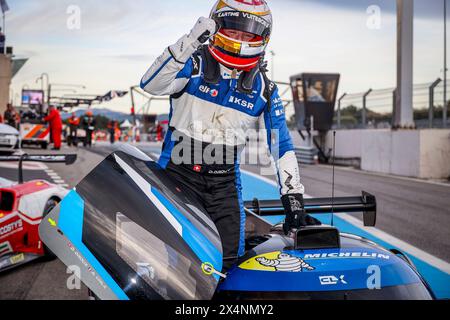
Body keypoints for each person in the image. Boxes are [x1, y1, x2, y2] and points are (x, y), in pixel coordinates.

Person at [140, 0, 319, 271]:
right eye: (233, 30)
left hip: (223, 186)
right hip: (175, 175)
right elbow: (151, 84)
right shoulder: (194, 64)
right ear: (216, 27)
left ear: (262, 38)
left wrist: (294, 203)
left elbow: (280, 145)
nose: (239, 40)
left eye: (248, 34)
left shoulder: (264, 89)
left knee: (228, 264)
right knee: (168, 263)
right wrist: (188, 41)